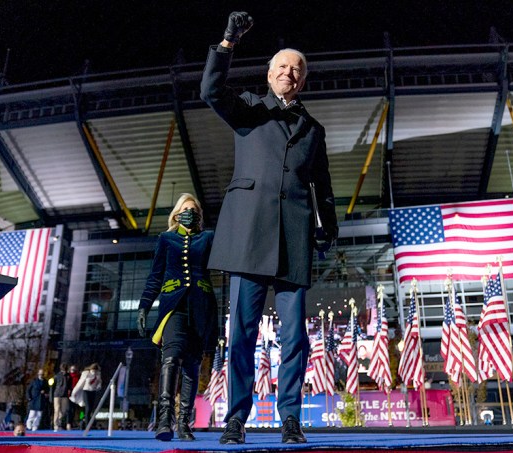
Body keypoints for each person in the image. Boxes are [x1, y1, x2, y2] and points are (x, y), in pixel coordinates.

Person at [200, 11, 338, 445]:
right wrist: (227, 44)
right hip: (249, 237)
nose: (289, 73)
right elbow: (210, 91)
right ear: (269, 73)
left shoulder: (313, 129)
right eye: (282, 67)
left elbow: (323, 185)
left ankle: (290, 419)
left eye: (296, 69)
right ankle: (236, 419)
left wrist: (327, 228)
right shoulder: (248, 110)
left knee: (295, 338)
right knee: (240, 335)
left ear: (303, 80)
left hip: (294, 239)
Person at [137, 193, 218, 442]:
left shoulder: (208, 237)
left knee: (192, 366)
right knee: (171, 358)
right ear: (176, 213)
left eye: (193, 210)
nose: (189, 213)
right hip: (173, 305)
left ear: (199, 215)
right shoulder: (167, 239)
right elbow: (155, 276)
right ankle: (165, 419)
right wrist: (144, 307)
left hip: (201, 307)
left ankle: (184, 422)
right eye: (185, 209)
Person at [70, 363, 102, 427]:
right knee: (88, 407)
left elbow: (99, 382)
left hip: (93, 392)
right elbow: (80, 383)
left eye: (96, 371)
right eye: (93, 371)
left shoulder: (98, 375)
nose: (94, 372)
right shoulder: (86, 374)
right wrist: (74, 392)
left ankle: (87, 420)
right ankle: (87, 424)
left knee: (91, 408)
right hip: (86, 391)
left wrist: (98, 386)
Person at [52, 363, 70, 431]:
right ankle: (56, 425)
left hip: (64, 395)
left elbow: (69, 385)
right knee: (57, 410)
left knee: (63, 411)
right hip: (57, 394)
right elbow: (53, 386)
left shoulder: (68, 376)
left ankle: (59, 423)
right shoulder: (57, 376)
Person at [66, 364, 80, 429]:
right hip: (69, 394)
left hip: (77, 394)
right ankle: (68, 423)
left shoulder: (78, 376)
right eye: (72, 369)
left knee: (75, 409)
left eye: (74, 369)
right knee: (69, 409)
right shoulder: (68, 376)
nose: (73, 371)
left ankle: (75, 421)